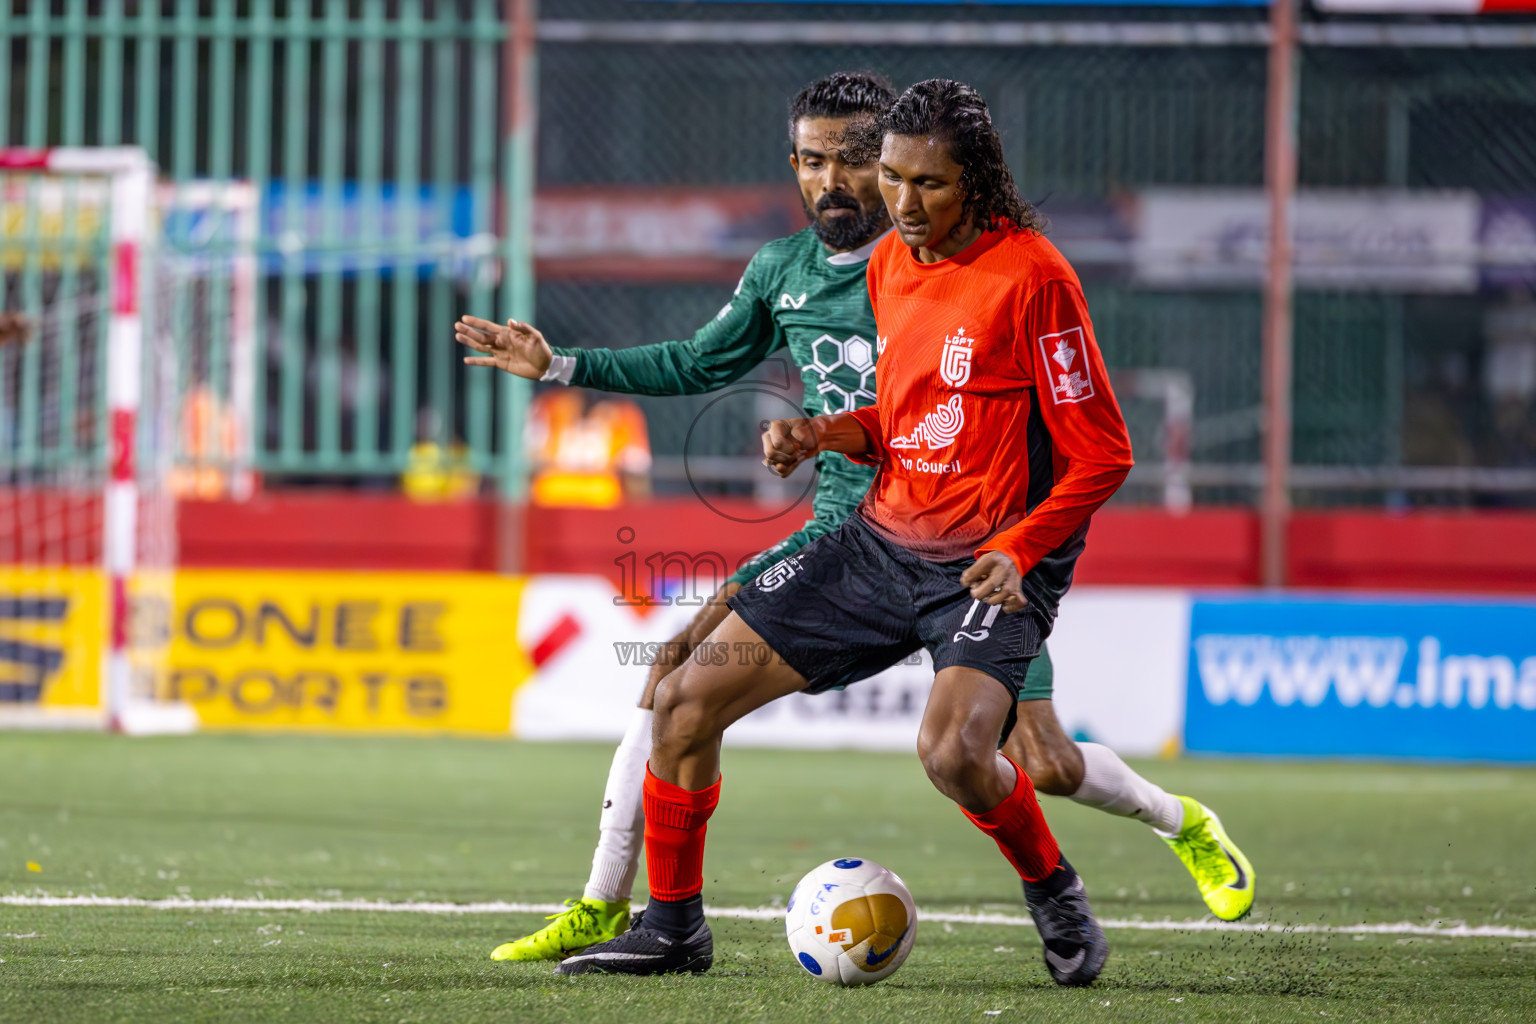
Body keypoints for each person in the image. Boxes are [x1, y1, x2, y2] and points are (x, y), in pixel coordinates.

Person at [462, 73, 1256, 964]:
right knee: (681, 686)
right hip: (869, 538)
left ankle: (1117, 857)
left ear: (968, 178)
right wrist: (815, 432)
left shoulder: (1029, 275)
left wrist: (1020, 547)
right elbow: (874, 410)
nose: (885, 197)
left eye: (915, 179)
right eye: (872, 174)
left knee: (1018, 759)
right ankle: (648, 917)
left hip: (984, 556)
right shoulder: (855, 267)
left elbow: (1100, 451)